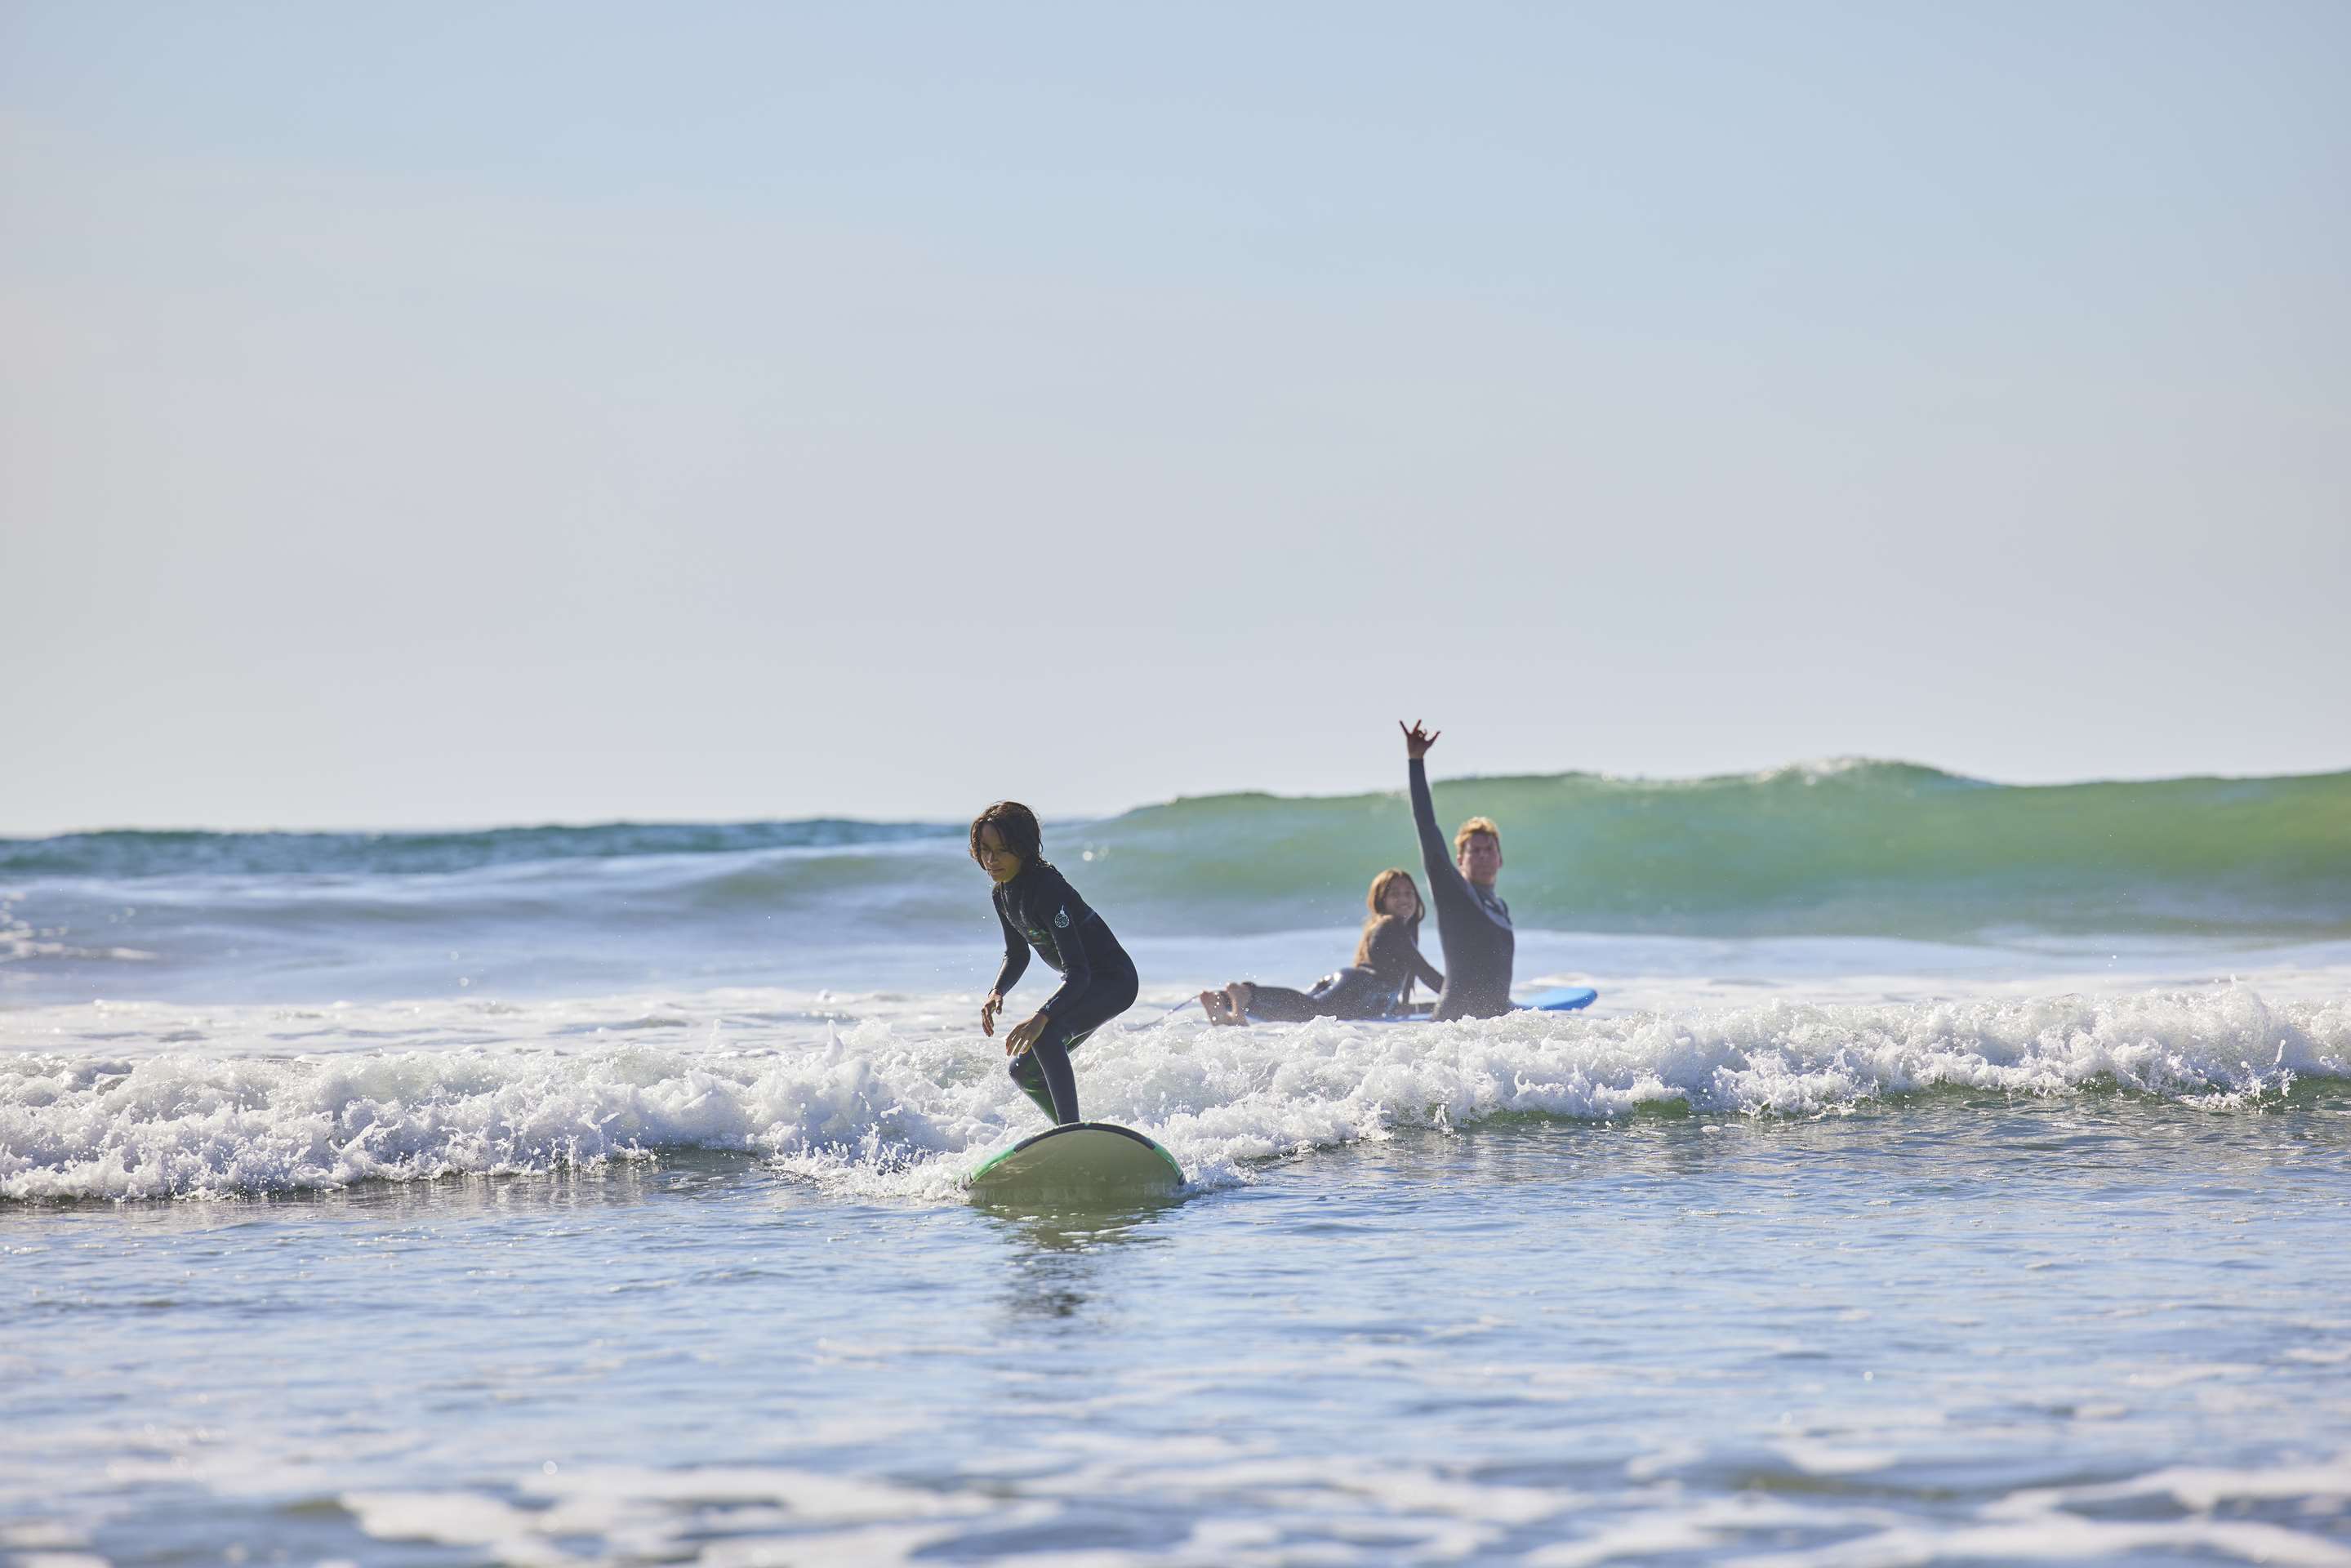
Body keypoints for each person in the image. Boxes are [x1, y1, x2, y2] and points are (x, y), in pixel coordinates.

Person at [972, 800, 1139, 1125]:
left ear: (1023, 848)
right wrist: (998, 990)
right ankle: (1068, 1136)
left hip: (1114, 981)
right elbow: (1017, 953)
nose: (991, 860)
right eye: (984, 849)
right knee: (1023, 1071)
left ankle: (1072, 1131)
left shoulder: (1047, 890)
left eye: (1002, 850)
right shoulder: (1002, 894)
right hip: (1086, 983)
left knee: (1046, 1035)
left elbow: (1079, 973)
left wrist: (1042, 1016)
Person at [1198, 869, 1445, 1026]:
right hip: (1360, 985)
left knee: (1306, 1012)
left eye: (1409, 893)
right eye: (1395, 894)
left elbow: (1393, 1004)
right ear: (1382, 901)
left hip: (1350, 983)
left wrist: (1435, 1006)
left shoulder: (1379, 927)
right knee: (1311, 1012)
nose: (1404, 899)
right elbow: (1424, 970)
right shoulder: (1393, 925)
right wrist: (1461, 994)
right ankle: (1246, 996)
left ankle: (1225, 1004)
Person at [1400, 720, 1515, 1019]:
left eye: (1490, 850)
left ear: (1501, 859)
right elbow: (1427, 827)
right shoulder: (1455, 892)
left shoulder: (1500, 907)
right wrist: (1416, 761)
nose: (1483, 856)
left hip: (1492, 1030)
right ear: (1460, 860)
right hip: (1454, 1030)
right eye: (1474, 851)